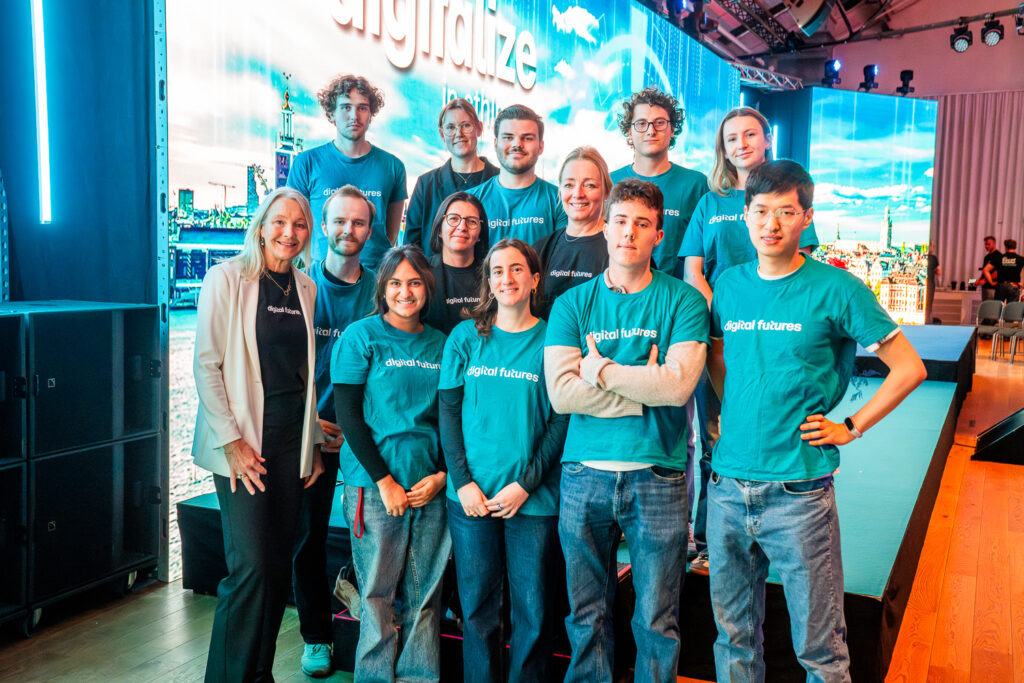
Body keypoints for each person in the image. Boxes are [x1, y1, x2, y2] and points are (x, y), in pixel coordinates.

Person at [706, 160, 926, 681]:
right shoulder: (729, 284)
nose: (771, 224)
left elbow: (910, 369)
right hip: (726, 487)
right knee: (733, 640)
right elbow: (717, 357)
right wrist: (730, 412)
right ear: (745, 215)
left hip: (799, 490)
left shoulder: (838, 288)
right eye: (760, 211)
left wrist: (850, 427)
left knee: (820, 649)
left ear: (806, 217)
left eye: (786, 212)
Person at [544, 178, 709, 682]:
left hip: (657, 478)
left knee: (657, 619)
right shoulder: (573, 304)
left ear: (659, 234)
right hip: (582, 475)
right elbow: (560, 395)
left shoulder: (683, 302)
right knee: (585, 616)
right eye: (620, 221)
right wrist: (642, 387)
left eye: (642, 224)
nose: (629, 233)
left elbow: (677, 388)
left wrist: (599, 370)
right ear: (606, 227)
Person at [192, 187, 325, 682]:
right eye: (280, 222)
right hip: (243, 443)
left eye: (299, 225)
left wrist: (310, 445)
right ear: (261, 225)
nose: (289, 233)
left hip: (291, 443)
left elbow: (304, 376)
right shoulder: (226, 278)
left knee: (273, 570)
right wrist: (232, 443)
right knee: (248, 569)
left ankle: (257, 673)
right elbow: (207, 365)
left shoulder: (306, 288)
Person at [678, 107, 818, 575]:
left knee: (774, 430)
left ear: (766, 140)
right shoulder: (709, 201)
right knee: (713, 438)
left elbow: (801, 271)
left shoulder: (786, 193)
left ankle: (776, 532)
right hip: (719, 335)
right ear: (723, 147)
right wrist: (726, 315)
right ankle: (709, 541)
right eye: (731, 137)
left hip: (773, 339)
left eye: (750, 134)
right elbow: (693, 272)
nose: (740, 143)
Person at [439, 239, 568, 683]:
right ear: (488, 281)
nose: (506, 278)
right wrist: (462, 482)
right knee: (476, 608)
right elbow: (449, 414)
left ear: (535, 279)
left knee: (532, 610)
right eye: (497, 271)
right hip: (472, 498)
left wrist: (526, 485)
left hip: (532, 501)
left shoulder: (553, 338)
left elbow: (560, 425)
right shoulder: (465, 337)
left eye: (517, 270)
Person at [331, 245, 450, 682]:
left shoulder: (441, 343)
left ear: (427, 288)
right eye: (396, 283)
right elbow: (349, 417)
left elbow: (450, 418)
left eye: (415, 282)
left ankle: (420, 677)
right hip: (375, 488)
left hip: (429, 488)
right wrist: (384, 481)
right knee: (378, 594)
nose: (405, 291)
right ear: (382, 288)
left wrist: (441, 477)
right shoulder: (361, 337)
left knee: (426, 596)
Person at [291, 185, 377, 677]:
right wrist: (311, 428)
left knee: (378, 537)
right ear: (323, 227)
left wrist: (357, 427)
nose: (348, 230)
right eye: (339, 221)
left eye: (358, 222)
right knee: (309, 537)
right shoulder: (299, 287)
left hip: (365, 435)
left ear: (370, 229)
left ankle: (381, 627)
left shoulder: (379, 289)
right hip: (312, 437)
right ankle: (317, 637)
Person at [287, 74, 407, 268]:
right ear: (332, 114)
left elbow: (390, 235)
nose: (354, 116)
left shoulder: (393, 167)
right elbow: (295, 226)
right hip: (321, 282)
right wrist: (316, 270)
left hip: (376, 281)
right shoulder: (306, 163)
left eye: (362, 108)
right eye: (346, 107)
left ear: (371, 115)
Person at [610, 87, 707, 272]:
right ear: (629, 132)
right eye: (641, 123)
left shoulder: (696, 185)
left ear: (672, 129)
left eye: (659, 123)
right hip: (622, 294)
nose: (650, 131)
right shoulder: (610, 183)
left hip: (678, 295)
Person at [405, 98, 500, 257]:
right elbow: (411, 247)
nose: (459, 134)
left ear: (479, 128)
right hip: (436, 279)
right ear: (442, 134)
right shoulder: (426, 184)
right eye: (450, 127)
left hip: (489, 277)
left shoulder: (500, 181)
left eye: (466, 125)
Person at [468, 104, 567, 246]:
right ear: (495, 144)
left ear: (541, 146)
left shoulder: (559, 201)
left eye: (527, 138)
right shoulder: (471, 201)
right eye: (508, 137)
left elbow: (564, 259)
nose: (517, 144)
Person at [532, 146, 611, 317]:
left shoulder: (621, 246)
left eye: (589, 185)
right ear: (560, 191)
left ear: (606, 191)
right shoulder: (541, 249)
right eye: (569, 184)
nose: (578, 193)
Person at [423, 192, 490, 334]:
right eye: (453, 219)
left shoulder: (493, 275)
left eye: (472, 221)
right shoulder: (420, 272)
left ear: (480, 233)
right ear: (439, 229)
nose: (462, 227)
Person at [974, 235, 1001, 300]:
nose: (986, 246)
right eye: (986, 244)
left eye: (989, 244)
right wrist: (979, 280)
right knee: (985, 307)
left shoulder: (998, 256)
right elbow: (984, 272)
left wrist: (985, 280)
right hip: (985, 287)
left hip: (993, 288)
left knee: (991, 307)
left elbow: (998, 273)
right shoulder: (986, 257)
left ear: (994, 244)